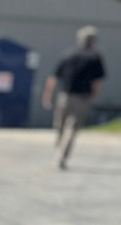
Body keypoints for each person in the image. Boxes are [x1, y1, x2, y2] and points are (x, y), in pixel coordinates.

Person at [43, 26, 105, 169]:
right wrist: (93, 96)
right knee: (70, 128)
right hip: (82, 98)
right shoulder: (95, 57)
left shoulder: (68, 55)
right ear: (94, 41)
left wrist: (47, 95)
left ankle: (60, 153)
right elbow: (97, 81)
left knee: (61, 126)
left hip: (65, 96)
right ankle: (61, 155)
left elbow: (52, 78)